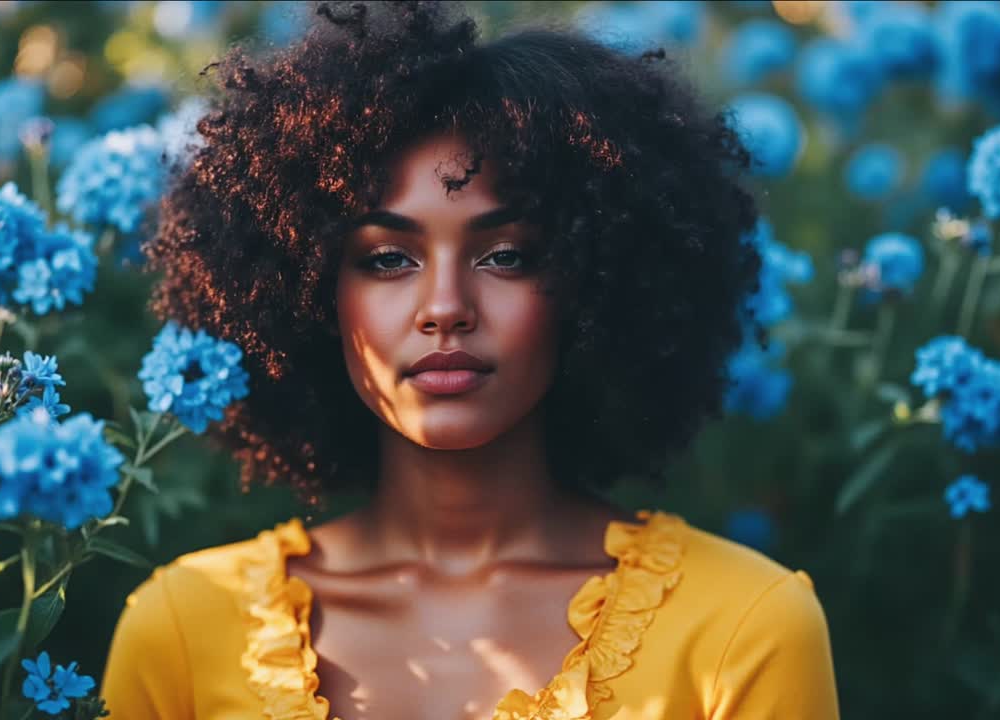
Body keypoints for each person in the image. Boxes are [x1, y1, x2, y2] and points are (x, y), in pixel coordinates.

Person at [101, 2, 841, 718]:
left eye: (507, 256)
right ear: (307, 289)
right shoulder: (185, 632)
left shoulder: (742, 631)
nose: (445, 305)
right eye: (388, 258)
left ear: (594, 280)